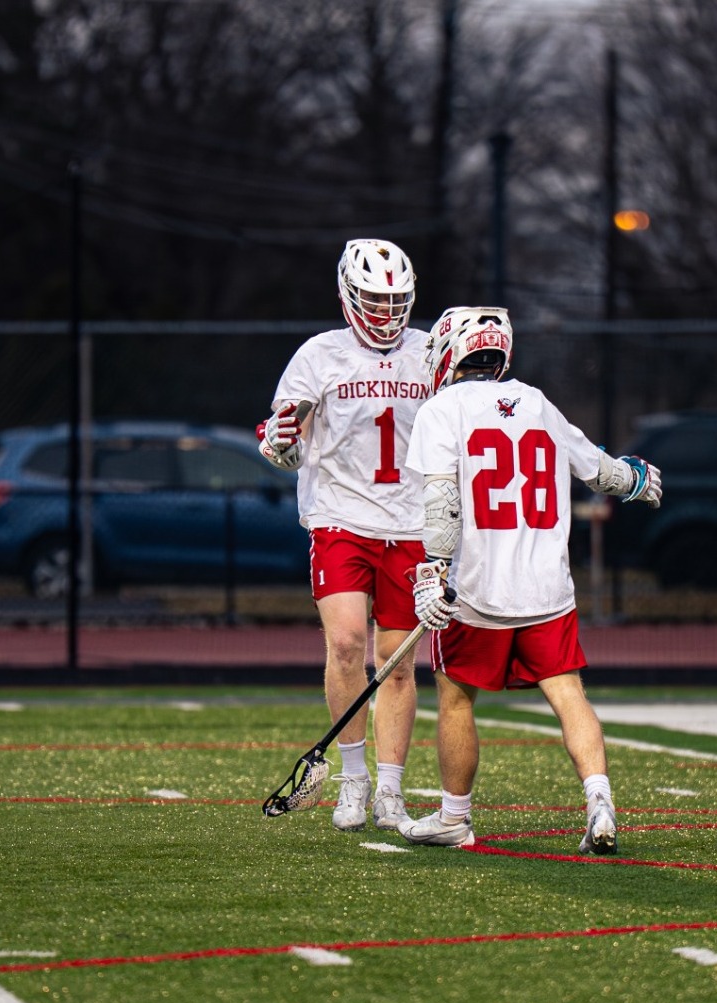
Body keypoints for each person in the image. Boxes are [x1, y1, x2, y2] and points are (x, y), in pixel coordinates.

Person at [396, 306, 663, 853]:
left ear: (451, 352)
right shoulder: (539, 403)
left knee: (456, 700)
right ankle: (600, 801)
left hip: (476, 589)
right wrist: (636, 480)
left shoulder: (442, 410)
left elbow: (443, 501)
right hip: (547, 590)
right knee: (568, 693)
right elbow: (600, 470)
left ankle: (454, 816)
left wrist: (434, 570)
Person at [256, 239, 433, 832]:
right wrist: (280, 444)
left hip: (411, 523)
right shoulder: (319, 355)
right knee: (348, 645)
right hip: (341, 518)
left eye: (394, 302)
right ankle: (352, 781)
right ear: (346, 296)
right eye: (373, 301)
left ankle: (390, 788)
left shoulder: (430, 350)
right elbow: (284, 436)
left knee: (400, 664)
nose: (385, 314)